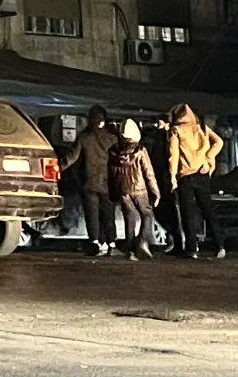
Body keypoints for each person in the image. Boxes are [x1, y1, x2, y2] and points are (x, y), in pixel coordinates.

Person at [167, 102, 226, 260]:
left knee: (188, 213)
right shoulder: (203, 128)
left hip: (185, 175)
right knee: (208, 209)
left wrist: (172, 177)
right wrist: (208, 158)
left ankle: (192, 248)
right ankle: (220, 245)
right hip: (202, 173)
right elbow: (219, 142)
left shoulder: (176, 130)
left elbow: (174, 156)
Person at [67, 104, 118, 256]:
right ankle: (111, 243)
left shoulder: (84, 137)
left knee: (92, 214)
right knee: (108, 215)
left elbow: (72, 157)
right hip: (108, 183)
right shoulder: (112, 139)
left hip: (88, 182)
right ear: (104, 121)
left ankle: (94, 242)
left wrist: (58, 166)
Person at [110, 120, 160, 259]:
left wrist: (114, 193)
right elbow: (148, 173)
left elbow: (112, 175)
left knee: (130, 218)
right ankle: (142, 241)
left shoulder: (114, 151)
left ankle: (131, 249)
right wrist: (156, 192)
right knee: (147, 214)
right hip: (140, 190)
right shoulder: (140, 151)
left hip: (123, 190)